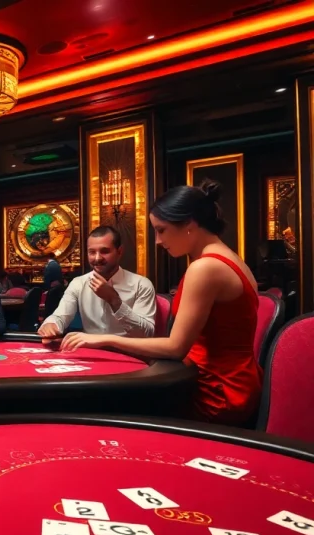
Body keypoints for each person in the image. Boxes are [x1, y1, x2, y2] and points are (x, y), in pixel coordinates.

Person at [62, 180, 261, 425]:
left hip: (214, 391)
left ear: (189, 223)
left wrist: (103, 339)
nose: (157, 240)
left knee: (103, 410)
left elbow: (176, 347)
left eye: (161, 229)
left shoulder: (206, 267)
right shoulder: (229, 258)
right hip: (223, 379)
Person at [38, 226, 156, 339]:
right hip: (91, 353)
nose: (97, 258)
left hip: (129, 354)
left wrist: (114, 300)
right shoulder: (78, 283)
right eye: (92, 252)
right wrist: (51, 324)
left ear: (119, 252)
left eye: (104, 251)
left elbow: (146, 333)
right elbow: (60, 316)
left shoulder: (141, 284)